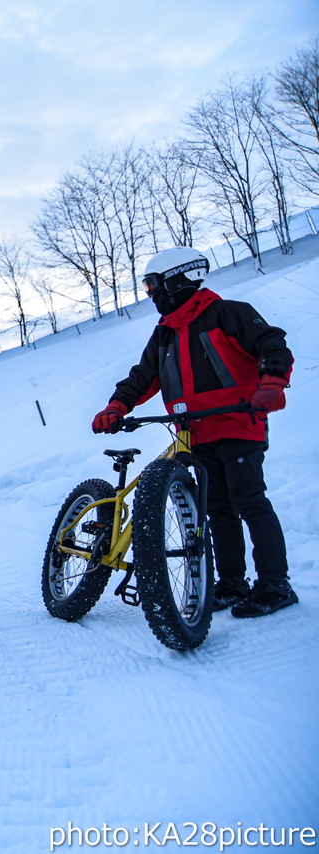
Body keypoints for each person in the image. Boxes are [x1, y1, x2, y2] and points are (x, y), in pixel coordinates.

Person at [91, 246, 296, 618]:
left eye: (154, 286)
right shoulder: (165, 333)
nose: (152, 295)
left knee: (249, 501)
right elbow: (144, 376)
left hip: (237, 424)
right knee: (217, 509)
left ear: (179, 279)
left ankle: (275, 586)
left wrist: (272, 384)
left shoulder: (228, 313)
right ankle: (233, 584)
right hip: (195, 433)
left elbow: (271, 343)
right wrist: (117, 406)